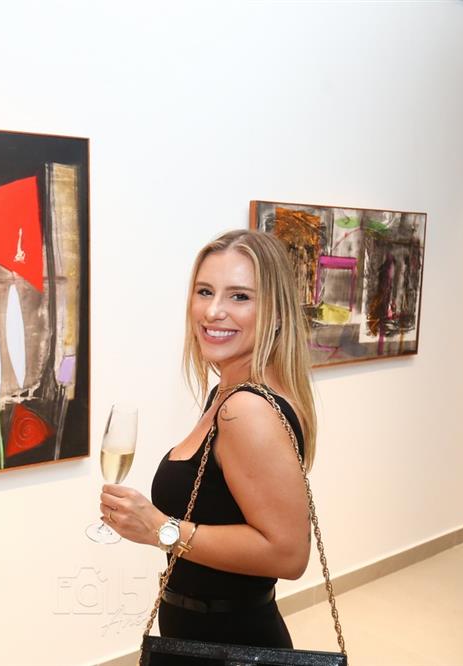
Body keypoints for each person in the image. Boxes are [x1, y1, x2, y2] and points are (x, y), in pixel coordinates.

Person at [100, 228, 316, 650]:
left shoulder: (246, 409)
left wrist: (160, 529)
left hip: (231, 643)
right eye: (205, 291)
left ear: (275, 312)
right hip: (202, 635)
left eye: (239, 296)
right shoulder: (226, 393)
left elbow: (289, 555)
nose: (214, 311)